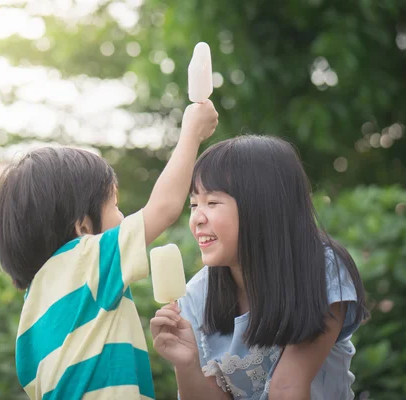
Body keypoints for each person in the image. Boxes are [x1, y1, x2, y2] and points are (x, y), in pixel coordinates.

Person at [0, 101, 218, 400]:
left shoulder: (31, 318)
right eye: (115, 206)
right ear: (83, 227)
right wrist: (192, 132)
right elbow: (164, 208)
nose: (124, 218)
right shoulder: (85, 260)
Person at [150, 135, 369, 400]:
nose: (197, 218)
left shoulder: (320, 270)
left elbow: (287, 389)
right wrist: (186, 365)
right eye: (194, 204)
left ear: (261, 206)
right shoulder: (195, 297)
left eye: (212, 203)